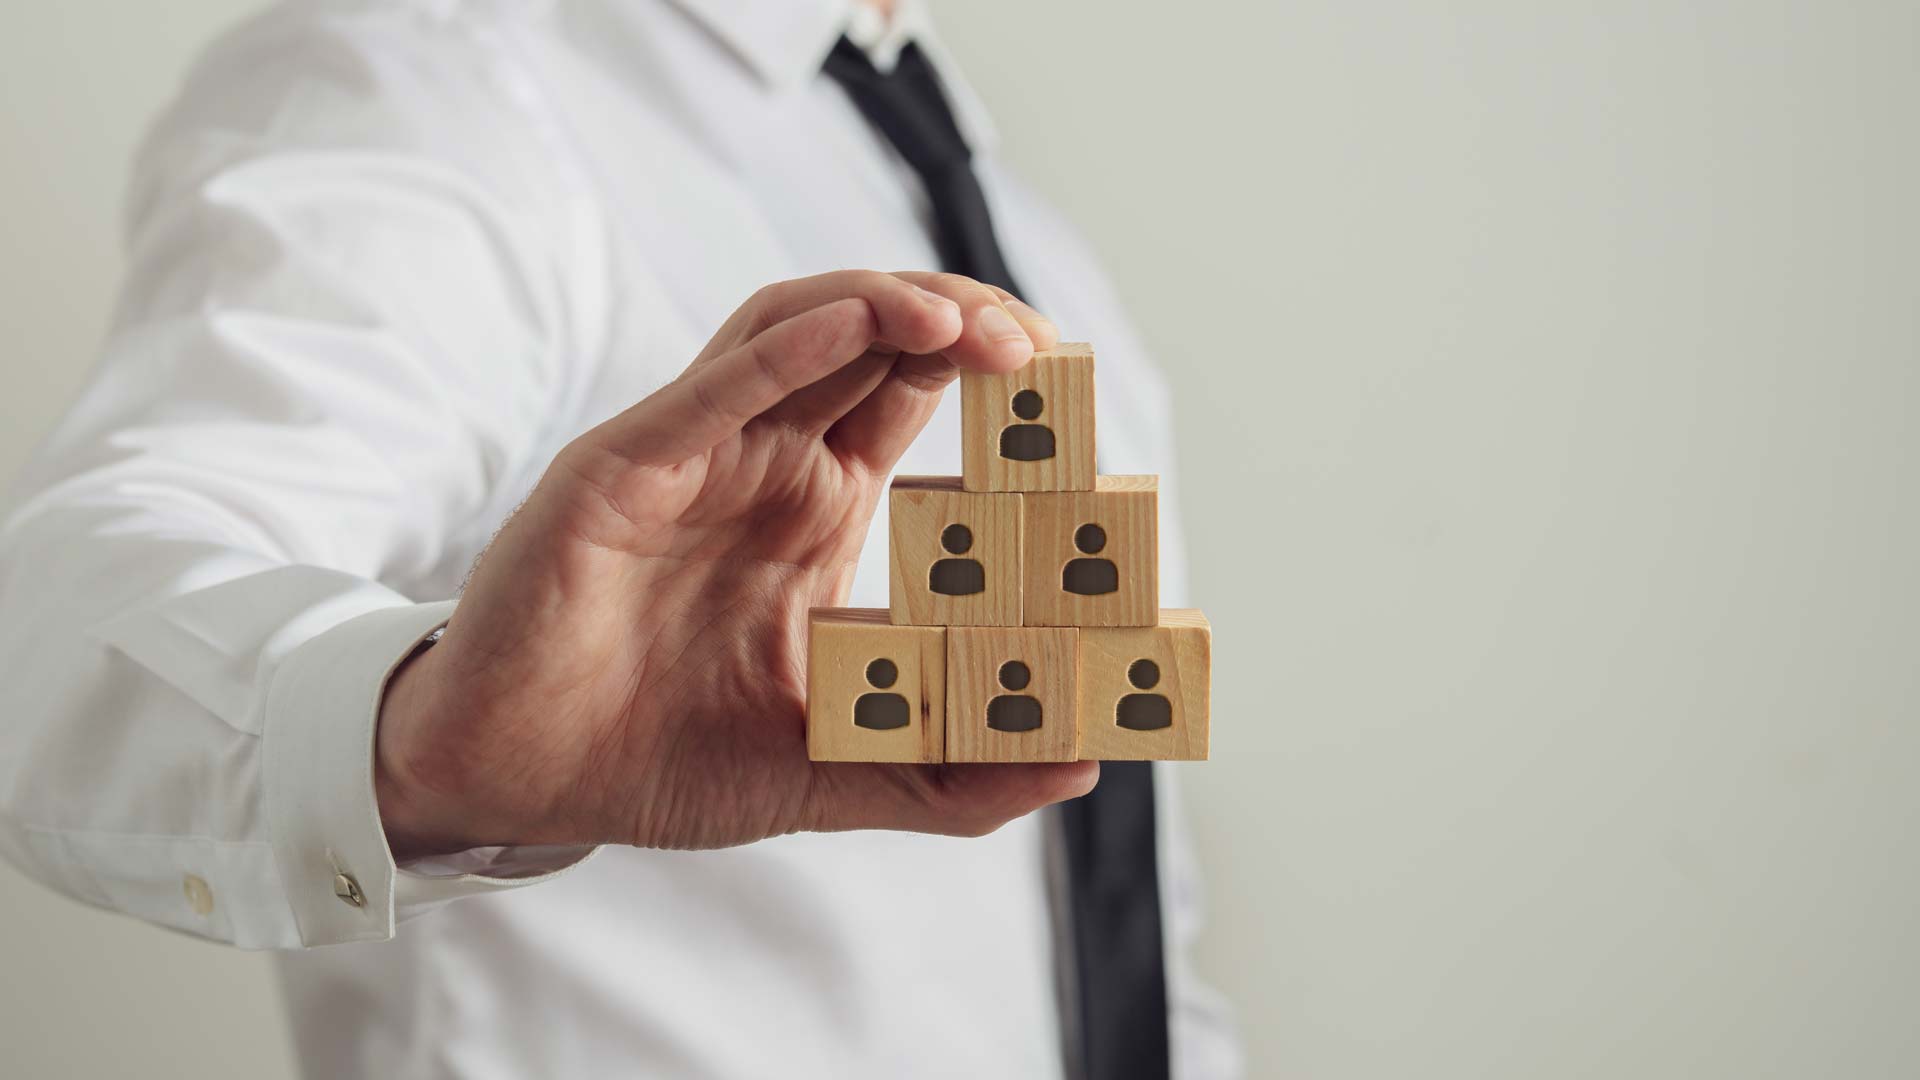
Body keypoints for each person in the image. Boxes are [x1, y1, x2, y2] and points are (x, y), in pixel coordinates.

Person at [0, 0, 1238, 1076]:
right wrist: (416, 740)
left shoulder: (1029, 239)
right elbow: (67, 606)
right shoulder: (438, 87)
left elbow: (1122, 901)